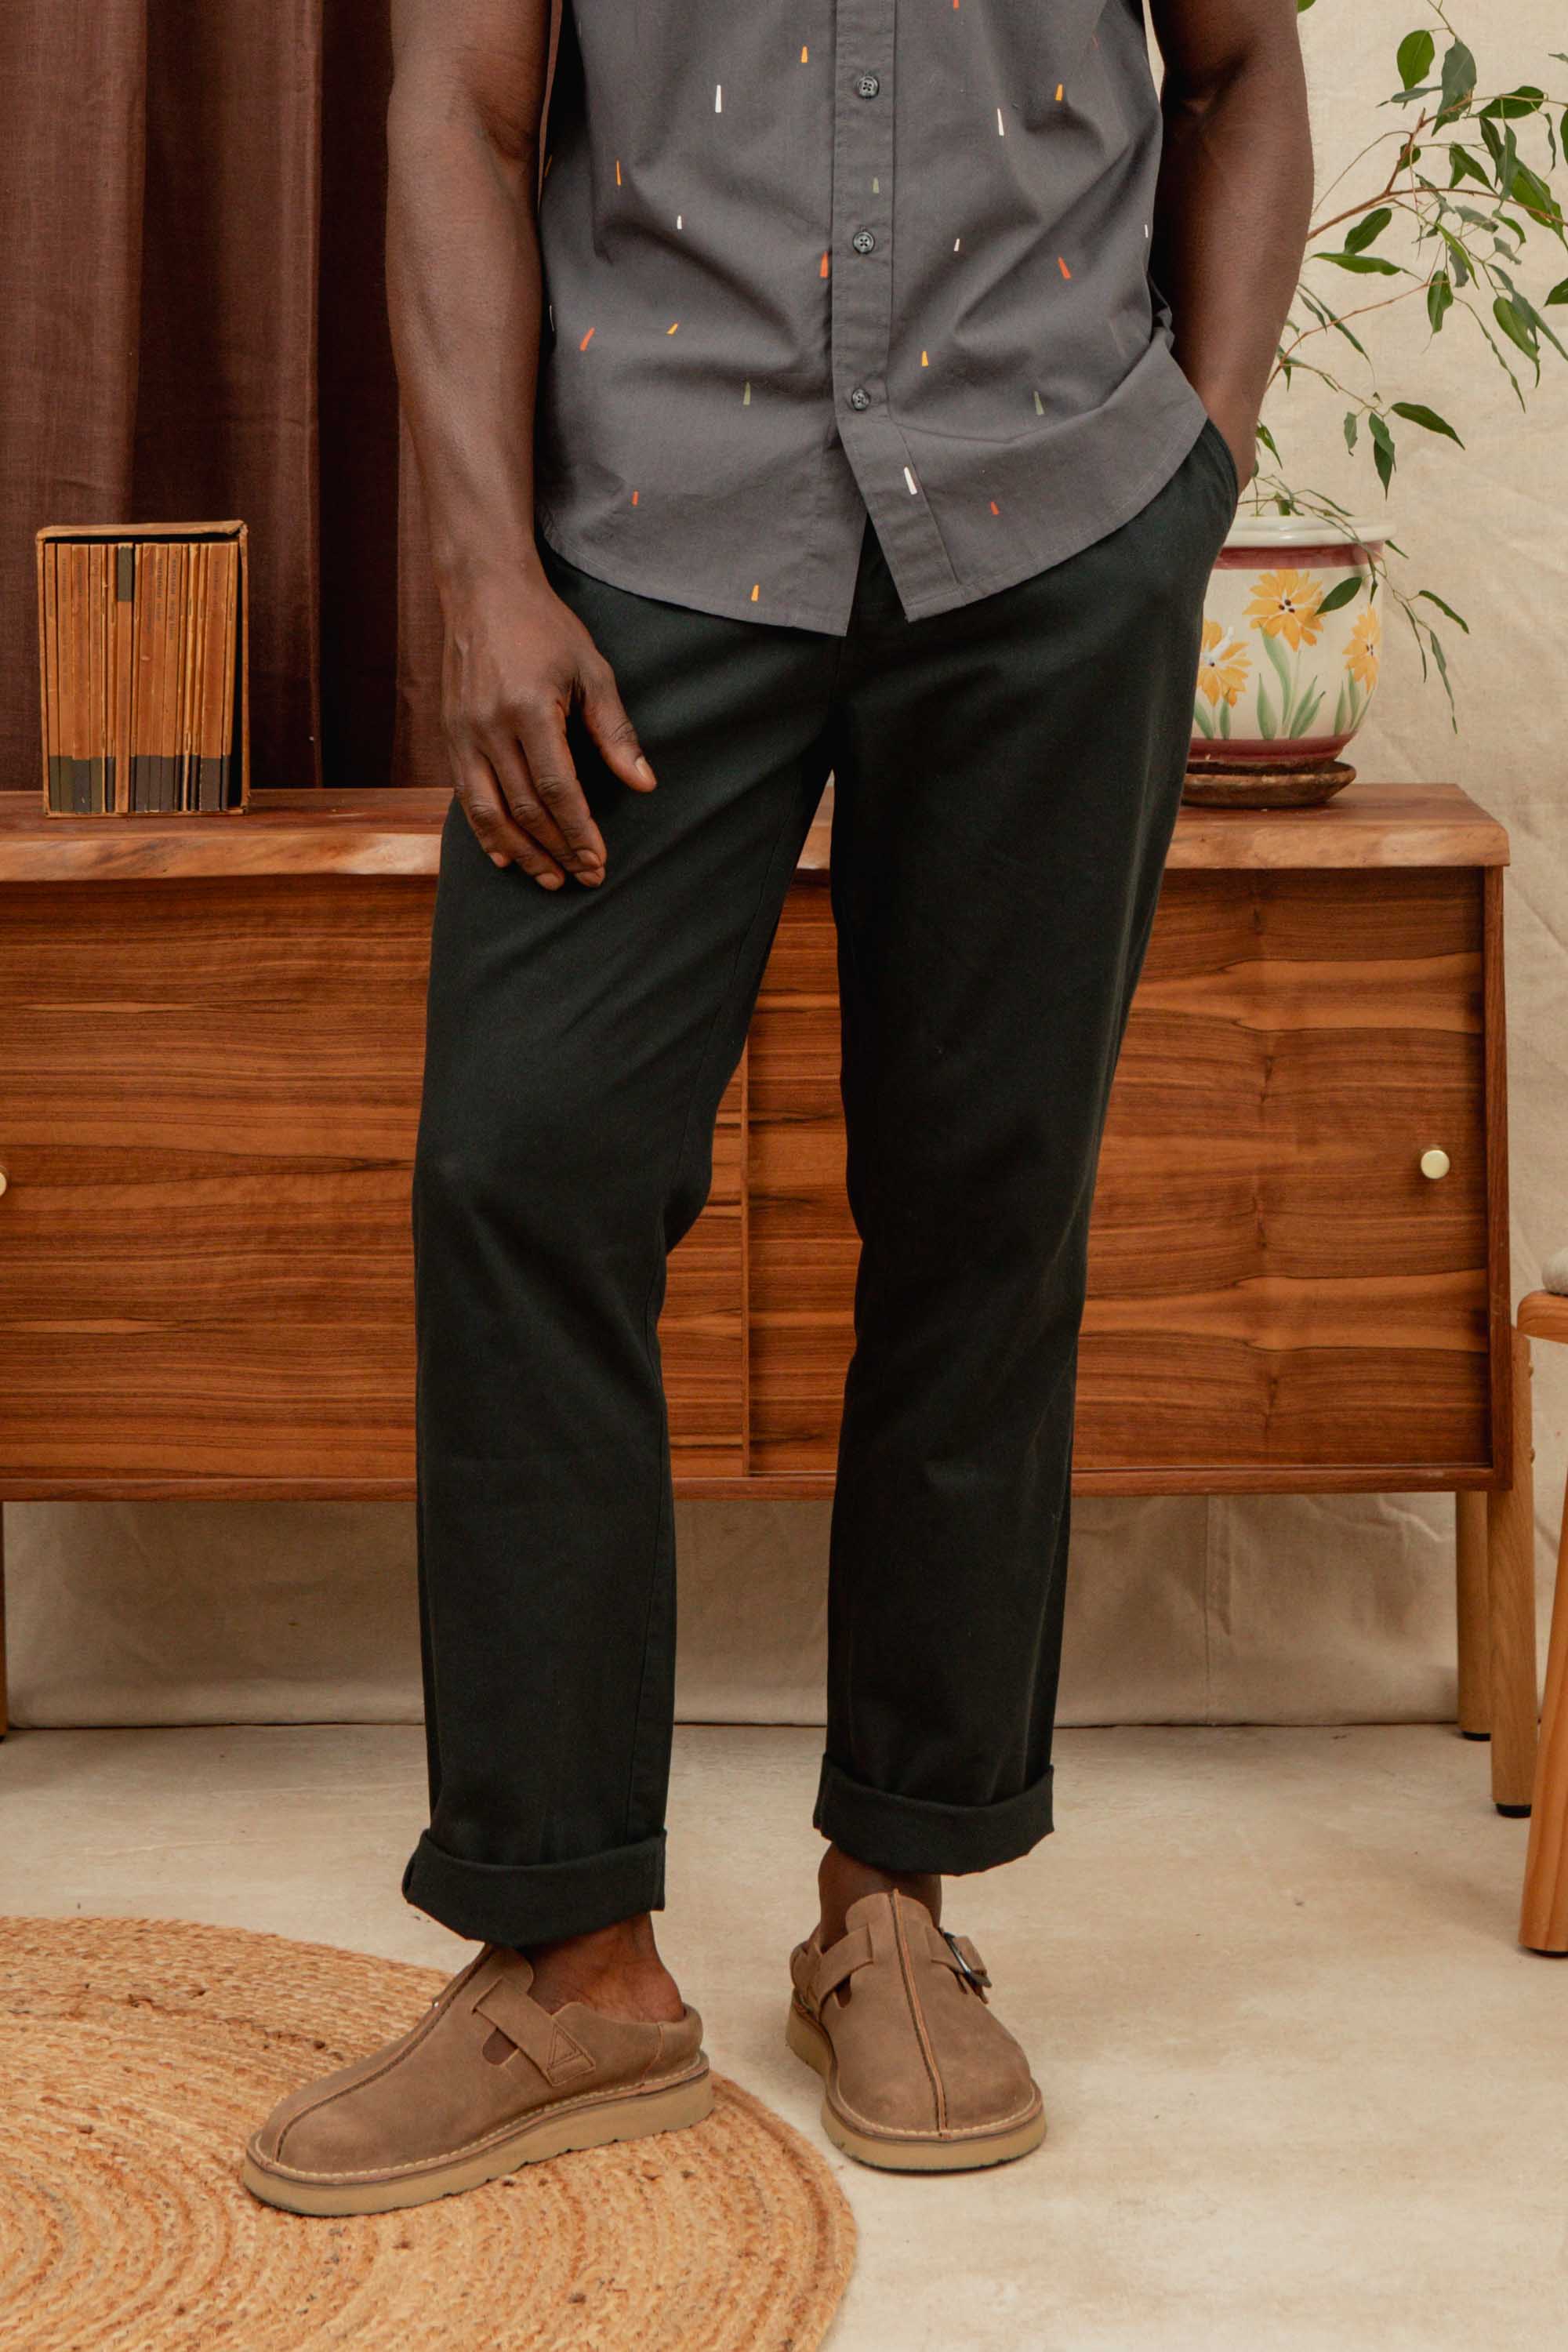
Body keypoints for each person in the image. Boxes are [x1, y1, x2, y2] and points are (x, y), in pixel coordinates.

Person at [243, 0, 1312, 2214]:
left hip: (1050, 528)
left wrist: (1190, 473)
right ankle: (570, 1953)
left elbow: (1243, 66)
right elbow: (456, 96)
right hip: (645, 532)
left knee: (986, 1206)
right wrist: (479, 566)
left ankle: (898, 1905)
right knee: (520, 1166)